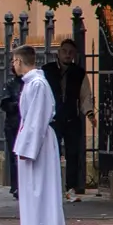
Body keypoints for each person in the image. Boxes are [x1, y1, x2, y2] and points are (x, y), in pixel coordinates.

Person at [13, 45, 66, 225]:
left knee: (40, 186)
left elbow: (37, 119)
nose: (13, 65)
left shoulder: (37, 84)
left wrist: (28, 148)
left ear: (19, 60)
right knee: (33, 186)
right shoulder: (31, 83)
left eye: (14, 61)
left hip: (39, 141)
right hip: (35, 140)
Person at [42, 39, 96, 202]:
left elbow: (85, 95)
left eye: (71, 52)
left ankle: (70, 188)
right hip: (53, 119)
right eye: (64, 51)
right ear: (58, 53)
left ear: (75, 55)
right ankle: (52, 187)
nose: (67, 55)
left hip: (72, 117)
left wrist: (90, 113)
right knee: (53, 153)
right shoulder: (47, 70)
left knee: (73, 153)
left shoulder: (78, 73)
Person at [0, 71, 25, 199]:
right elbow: (4, 104)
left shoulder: (32, 83)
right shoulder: (10, 83)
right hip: (13, 123)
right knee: (14, 154)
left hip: (25, 123)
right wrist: (17, 104)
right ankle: (15, 185)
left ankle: (23, 185)